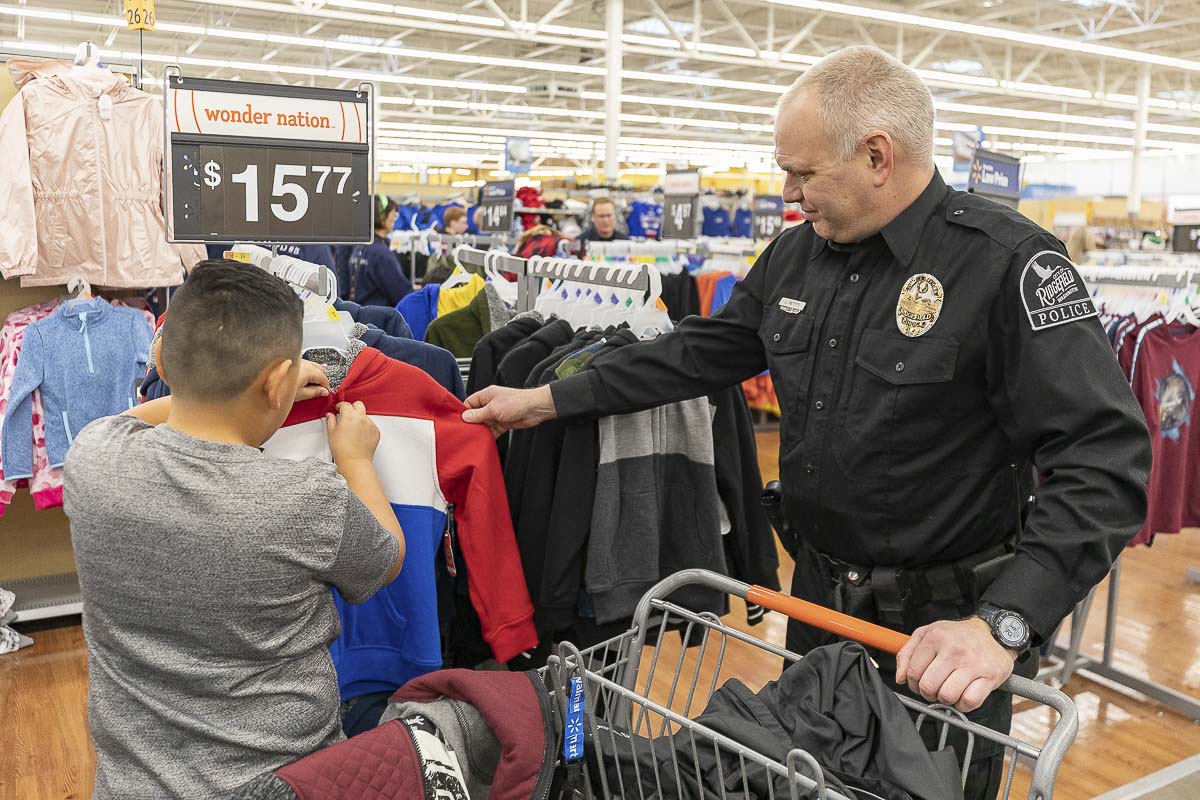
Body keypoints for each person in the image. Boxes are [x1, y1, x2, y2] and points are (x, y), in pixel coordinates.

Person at [461, 46, 1151, 800]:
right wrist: (551, 398)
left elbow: (1106, 459)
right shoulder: (798, 254)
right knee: (800, 785)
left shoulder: (1007, 265)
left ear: (877, 155)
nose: (789, 193)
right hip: (819, 611)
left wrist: (1005, 626)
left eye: (802, 172)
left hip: (937, 642)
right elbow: (701, 351)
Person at [62, 261, 406, 799]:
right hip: (282, 781)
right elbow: (386, 560)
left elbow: (132, 420)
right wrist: (356, 459)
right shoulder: (306, 499)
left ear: (160, 360)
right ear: (276, 381)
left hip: (131, 783)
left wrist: (250, 387)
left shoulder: (91, 455)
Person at [346, 195, 414, 306]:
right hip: (379, 318)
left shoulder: (360, 247)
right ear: (382, 217)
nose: (394, 219)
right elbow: (400, 293)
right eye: (393, 215)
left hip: (362, 315)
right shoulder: (381, 254)